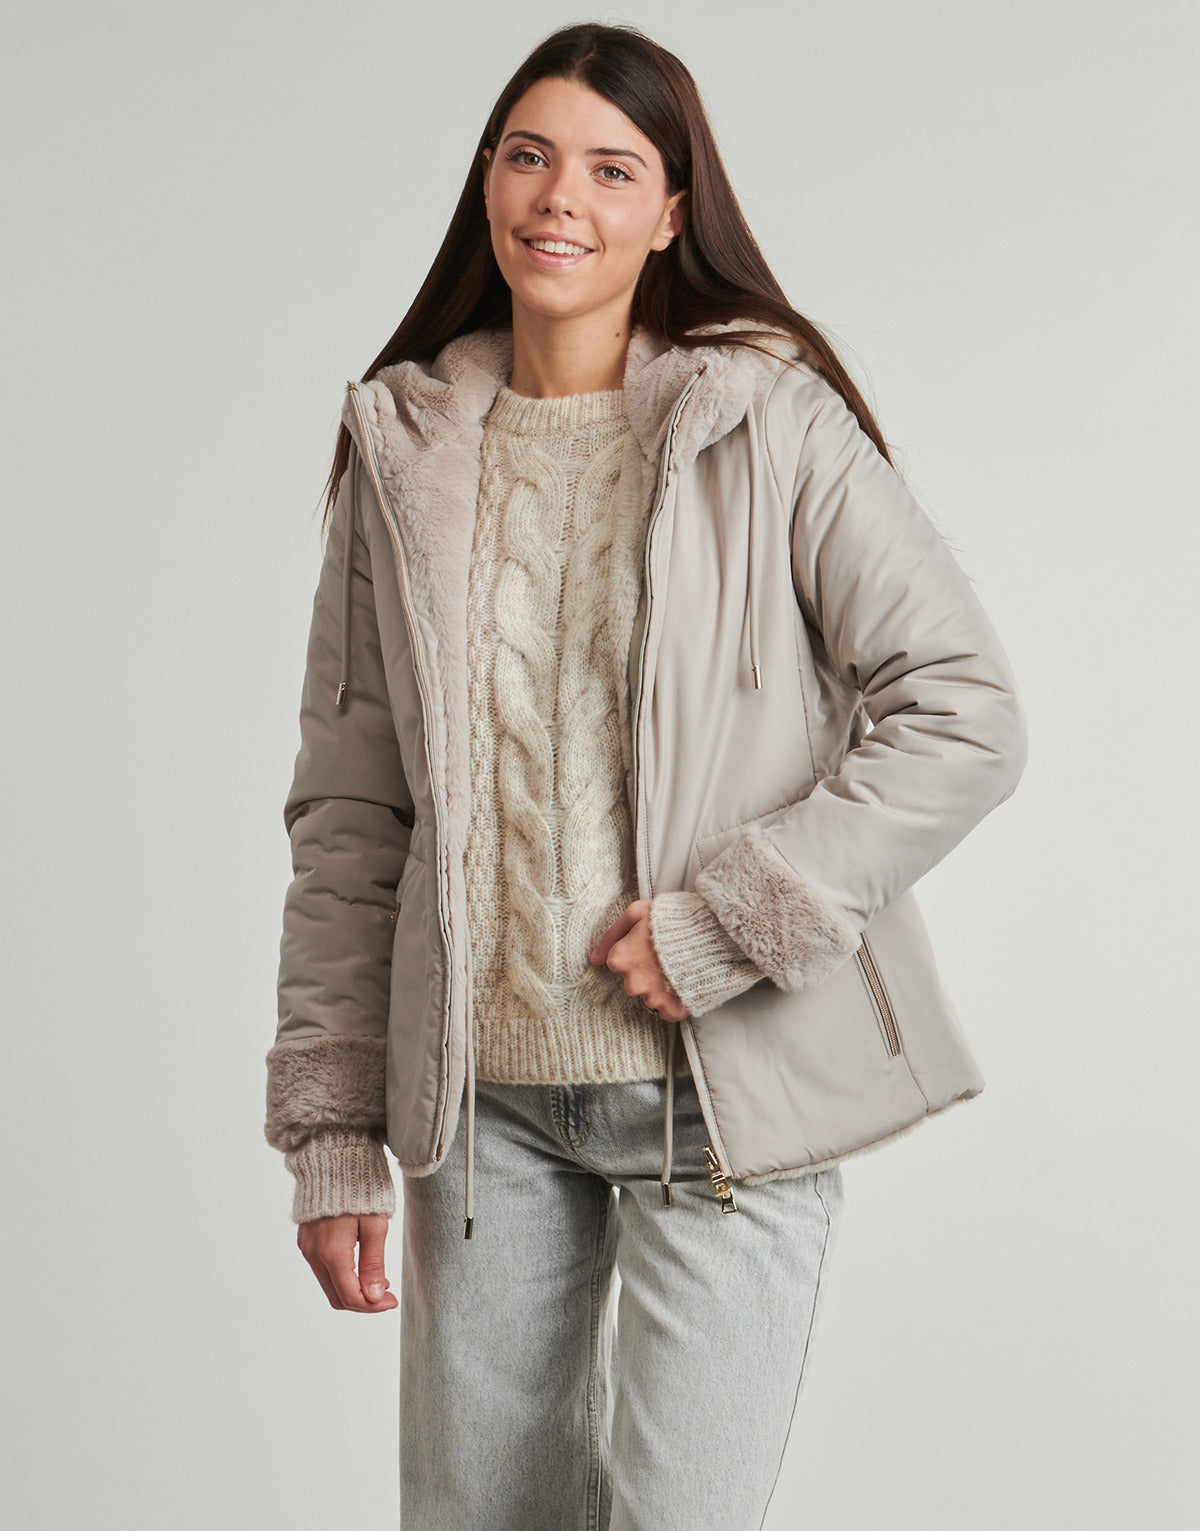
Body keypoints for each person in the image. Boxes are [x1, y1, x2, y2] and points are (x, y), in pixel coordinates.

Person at [263, 20, 1029, 1530]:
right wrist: (335, 1133)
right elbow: (352, 813)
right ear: (489, 180)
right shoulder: (404, 450)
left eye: (613, 169)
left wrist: (734, 919)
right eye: (530, 156)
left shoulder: (767, 423)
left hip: (715, 1102)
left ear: (672, 212)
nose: (562, 197)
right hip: (482, 1113)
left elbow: (965, 710)